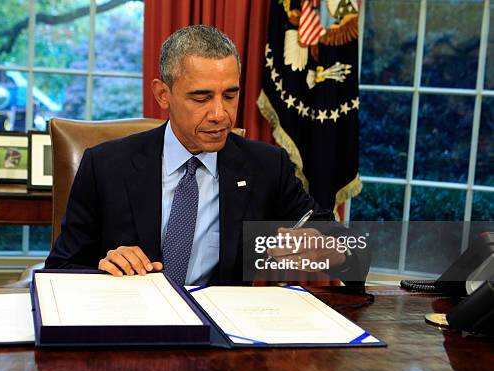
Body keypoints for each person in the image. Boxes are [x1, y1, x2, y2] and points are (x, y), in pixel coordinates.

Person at [46, 25, 370, 288]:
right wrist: (105, 269)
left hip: (222, 336)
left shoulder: (267, 167)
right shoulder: (106, 165)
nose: (220, 114)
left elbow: (356, 255)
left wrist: (331, 250)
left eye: (230, 95)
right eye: (201, 97)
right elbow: (60, 269)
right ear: (163, 94)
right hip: (132, 325)